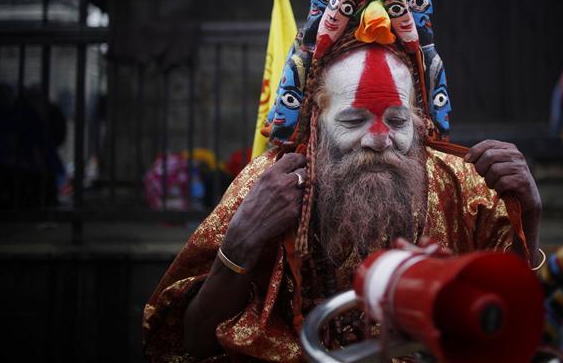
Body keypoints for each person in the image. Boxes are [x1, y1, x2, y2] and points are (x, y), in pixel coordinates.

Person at [143, 42, 542, 362]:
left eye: (398, 121)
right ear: (317, 123)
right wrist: (240, 244)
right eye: (353, 122)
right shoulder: (269, 186)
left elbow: (519, 326)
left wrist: (531, 216)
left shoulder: (463, 185)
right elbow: (190, 343)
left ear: (420, 121)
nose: (380, 138)